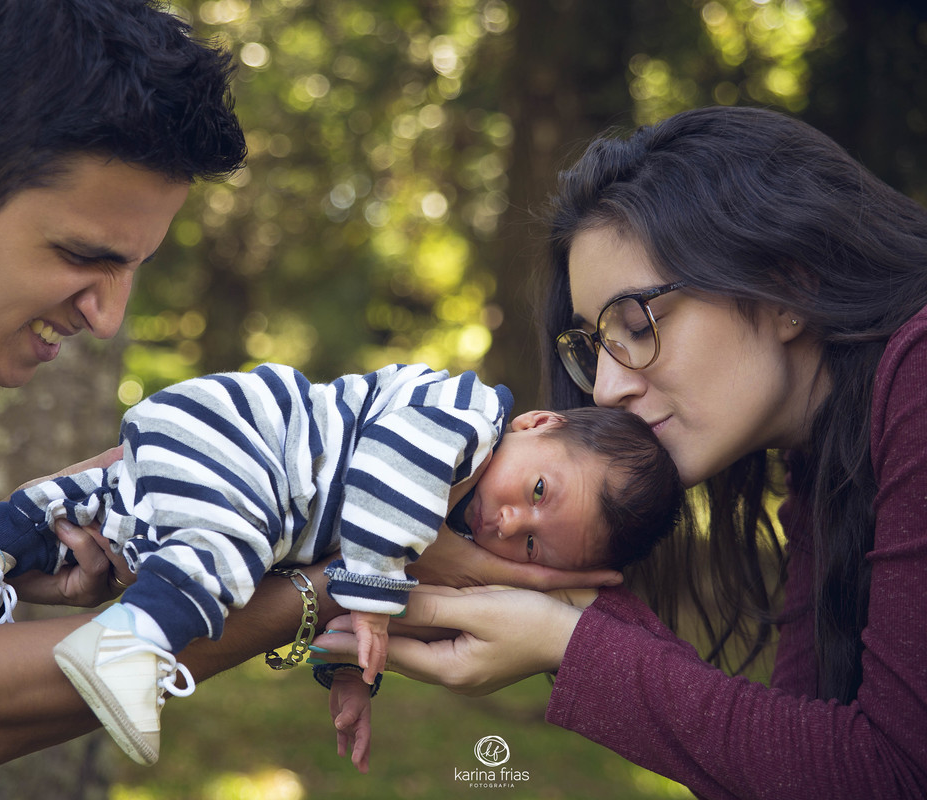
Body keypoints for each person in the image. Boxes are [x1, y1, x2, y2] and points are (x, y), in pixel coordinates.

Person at [0, 0, 628, 785]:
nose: (108, 316)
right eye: (83, 256)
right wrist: (328, 588)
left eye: (132, 269)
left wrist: (162, 513)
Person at [314, 104, 927, 796]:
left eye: (636, 324)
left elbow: (893, 775)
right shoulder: (829, 461)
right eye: (595, 345)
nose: (606, 388)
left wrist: (564, 644)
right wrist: (554, 606)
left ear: (789, 285)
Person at [0, 362, 682, 767]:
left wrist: (352, 671)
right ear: (537, 423)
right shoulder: (466, 417)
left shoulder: (449, 505)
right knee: (230, 547)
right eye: (538, 489)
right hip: (249, 446)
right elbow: (385, 490)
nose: (509, 522)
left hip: (218, 458)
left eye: (535, 547)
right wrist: (379, 595)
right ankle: (131, 642)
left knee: (103, 511)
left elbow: (362, 574)